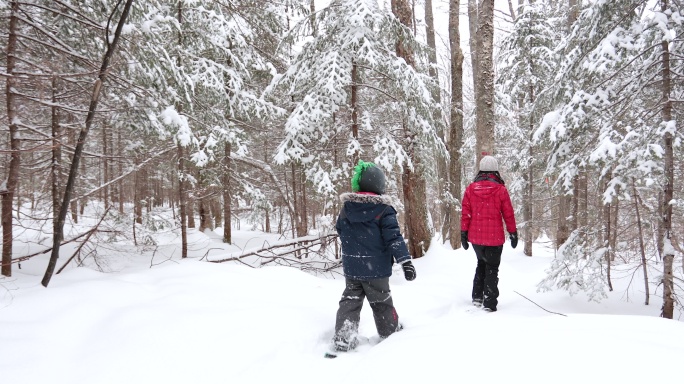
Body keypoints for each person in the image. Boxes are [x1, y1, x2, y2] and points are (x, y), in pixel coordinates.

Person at [332, 160, 416, 352]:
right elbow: (393, 238)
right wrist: (406, 261)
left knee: (350, 301)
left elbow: (340, 230)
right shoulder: (384, 210)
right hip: (376, 269)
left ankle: (343, 338)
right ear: (379, 185)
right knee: (381, 302)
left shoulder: (347, 208)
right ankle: (390, 333)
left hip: (352, 267)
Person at [460, 155, 517, 312]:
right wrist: (513, 232)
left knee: (481, 264)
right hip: (494, 238)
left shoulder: (471, 189)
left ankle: (477, 297)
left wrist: (463, 233)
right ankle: (490, 303)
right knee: (492, 268)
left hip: (476, 238)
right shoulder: (500, 190)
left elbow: (466, 213)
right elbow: (508, 214)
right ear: (495, 170)